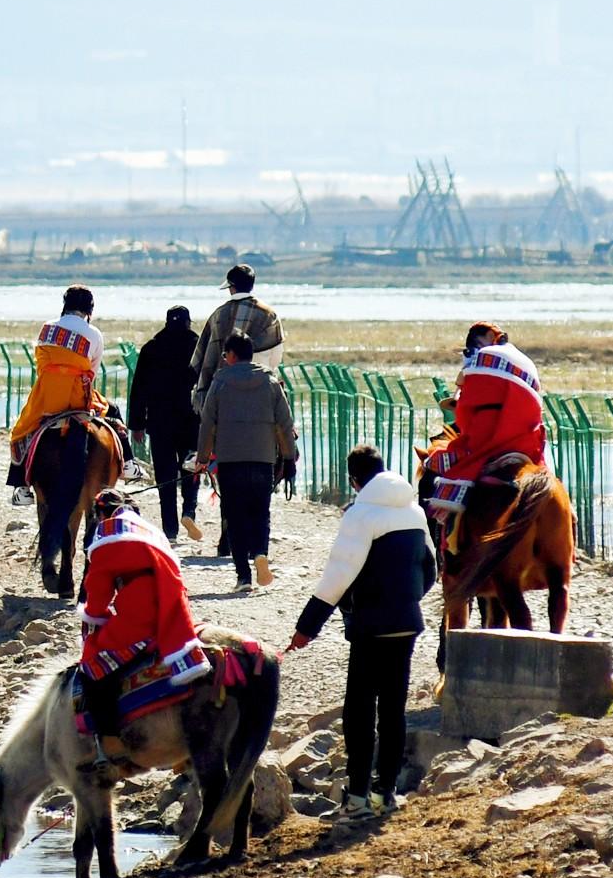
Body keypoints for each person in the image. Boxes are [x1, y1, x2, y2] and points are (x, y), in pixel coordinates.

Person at [286, 445, 436, 820]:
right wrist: (406, 599)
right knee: (393, 710)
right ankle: (385, 795)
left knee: (359, 710)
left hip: (370, 626)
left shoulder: (360, 514)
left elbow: (338, 577)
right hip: (407, 623)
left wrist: (305, 629)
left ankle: (356, 798)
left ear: (355, 481)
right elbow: (430, 568)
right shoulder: (415, 512)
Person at [75, 487, 209, 740]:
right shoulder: (152, 533)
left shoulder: (108, 534)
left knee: (94, 663)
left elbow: (98, 590)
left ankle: (109, 737)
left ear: (102, 513)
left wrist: (95, 614)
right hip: (173, 609)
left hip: (140, 611)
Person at [195, 334, 297, 589]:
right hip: (263, 460)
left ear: (231, 355)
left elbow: (207, 423)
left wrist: (203, 458)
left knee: (235, 516)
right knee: (261, 512)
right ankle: (260, 553)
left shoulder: (220, 381)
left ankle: (243, 576)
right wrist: (288, 457)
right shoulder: (270, 382)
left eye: (225, 355)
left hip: (230, 461)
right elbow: (284, 424)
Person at [426, 323, 547, 523]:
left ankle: (448, 531)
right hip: (528, 441)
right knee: (545, 476)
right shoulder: (525, 363)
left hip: (488, 440)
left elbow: (465, 413)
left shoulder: (481, 361)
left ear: (490, 335)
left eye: (476, 344)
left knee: (450, 466)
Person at [6, 285, 108, 503]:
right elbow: (92, 372)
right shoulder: (94, 334)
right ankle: (127, 464)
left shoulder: (47, 328)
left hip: (46, 399)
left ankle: (21, 486)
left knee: (22, 430)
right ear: (89, 308)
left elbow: (40, 365)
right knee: (112, 414)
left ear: (65, 304)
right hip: (78, 400)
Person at [125, 304, 202, 542]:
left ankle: (170, 530)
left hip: (160, 423)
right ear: (188, 322)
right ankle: (189, 511)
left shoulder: (152, 348)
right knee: (191, 468)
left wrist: (137, 424)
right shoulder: (198, 347)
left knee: (165, 477)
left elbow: (139, 389)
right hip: (192, 421)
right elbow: (208, 383)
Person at [190, 263, 285, 413]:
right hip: (261, 391)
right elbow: (276, 357)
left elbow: (205, 357)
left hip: (223, 394)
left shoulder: (218, 315)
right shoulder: (269, 315)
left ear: (231, 288)